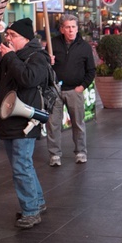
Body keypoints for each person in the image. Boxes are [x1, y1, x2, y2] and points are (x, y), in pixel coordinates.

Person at [0, 19, 49, 229]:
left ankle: (30, 211)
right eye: (7, 34)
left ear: (26, 39)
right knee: (23, 165)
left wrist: (9, 57)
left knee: (21, 167)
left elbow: (28, 78)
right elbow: (0, 80)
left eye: (12, 35)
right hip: (10, 120)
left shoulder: (37, 57)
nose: (7, 39)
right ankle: (37, 202)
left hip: (24, 120)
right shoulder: (15, 56)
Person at [48, 14, 95, 166]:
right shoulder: (52, 44)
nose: (71, 30)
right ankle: (54, 154)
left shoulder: (84, 47)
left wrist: (81, 87)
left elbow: (91, 70)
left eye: (73, 27)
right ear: (62, 29)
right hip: (55, 90)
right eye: (67, 27)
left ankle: (80, 152)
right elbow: (43, 67)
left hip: (75, 91)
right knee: (53, 124)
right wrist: (48, 60)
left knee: (78, 123)